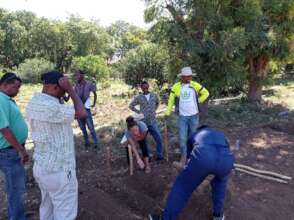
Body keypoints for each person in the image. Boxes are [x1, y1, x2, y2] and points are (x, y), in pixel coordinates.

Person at [26, 71, 86, 220]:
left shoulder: (34, 102)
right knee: (64, 214)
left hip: (42, 167)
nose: (64, 93)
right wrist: (71, 90)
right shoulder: (52, 107)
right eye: (62, 90)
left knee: (47, 208)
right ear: (54, 87)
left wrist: (63, 92)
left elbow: (60, 105)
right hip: (59, 172)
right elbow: (81, 112)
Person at [149, 126, 235, 220]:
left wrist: (188, 171)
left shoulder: (194, 135)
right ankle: (218, 216)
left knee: (182, 187)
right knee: (220, 186)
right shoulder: (220, 134)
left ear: (199, 129)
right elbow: (227, 147)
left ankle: (166, 218)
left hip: (203, 158)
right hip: (226, 161)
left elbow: (190, 157)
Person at [165, 66, 209, 167]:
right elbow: (171, 100)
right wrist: (167, 113)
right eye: (187, 77)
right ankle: (183, 158)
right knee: (182, 138)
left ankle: (192, 157)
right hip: (182, 117)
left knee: (193, 137)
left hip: (194, 116)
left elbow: (206, 93)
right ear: (182, 77)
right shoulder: (176, 87)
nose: (189, 78)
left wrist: (199, 101)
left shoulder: (195, 85)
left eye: (190, 76)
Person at [0, 72, 29, 220]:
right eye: (15, 86)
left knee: (16, 187)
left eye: (19, 87)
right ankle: (17, 217)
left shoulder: (7, 99)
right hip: (9, 152)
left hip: (11, 150)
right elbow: (4, 129)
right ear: (4, 84)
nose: (18, 90)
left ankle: (18, 214)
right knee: (15, 188)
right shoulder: (0, 100)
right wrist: (20, 150)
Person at [129, 81, 164, 160]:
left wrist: (154, 110)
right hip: (143, 122)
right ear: (141, 88)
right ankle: (148, 156)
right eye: (143, 87)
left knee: (158, 137)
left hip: (152, 121)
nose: (145, 89)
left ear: (148, 86)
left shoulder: (154, 95)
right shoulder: (139, 97)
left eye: (146, 87)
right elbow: (131, 106)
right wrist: (139, 112)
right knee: (144, 140)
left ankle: (159, 155)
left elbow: (158, 102)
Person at [73, 69, 98, 149]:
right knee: (82, 127)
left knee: (90, 127)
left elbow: (94, 93)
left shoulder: (89, 84)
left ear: (82, 75)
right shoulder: (76, 85)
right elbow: (73, 96)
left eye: (78, 75)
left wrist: (94, 103)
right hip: (78, 109)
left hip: (86, 109)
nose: (76, 76)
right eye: (76, 75)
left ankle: (96, 143)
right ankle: (87, 142)